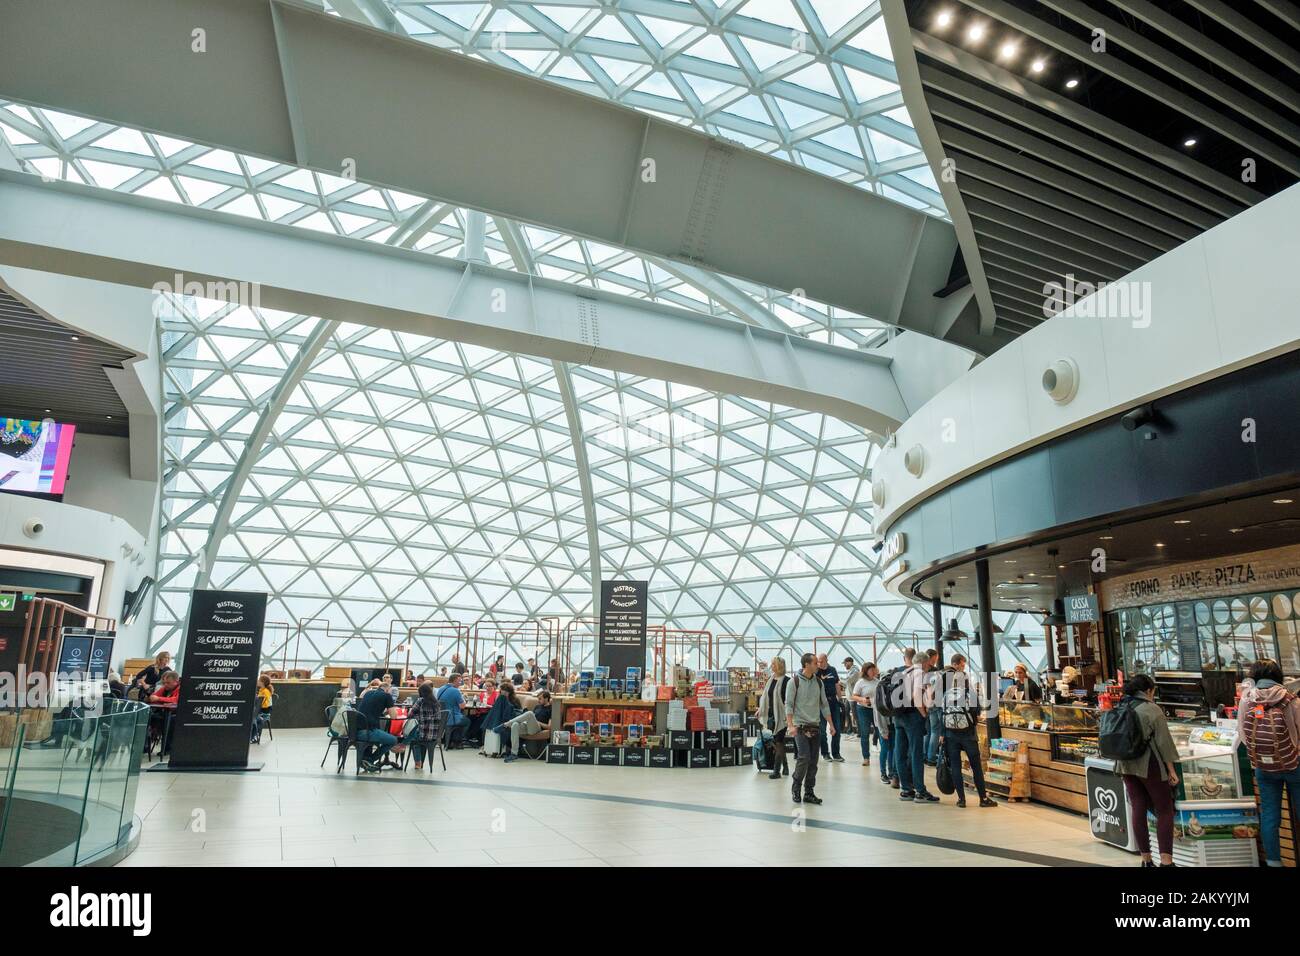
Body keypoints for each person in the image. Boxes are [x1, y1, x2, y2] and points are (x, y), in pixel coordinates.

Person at [1237, 658, 1300, 868]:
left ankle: (1273, 862)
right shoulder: (1291, 699)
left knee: (1270, 815)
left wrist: (1261, 753)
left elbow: (1243, 735)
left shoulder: (1247, 700)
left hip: (1264, 767)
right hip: (1294, 763)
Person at [1114, 674, 1179, 867]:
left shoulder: (1122, 706)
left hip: (1125, 764)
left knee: (1138, 808)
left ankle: (1146, 860)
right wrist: (1171, 769)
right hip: (1148, 764)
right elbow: (1164, 743)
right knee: (1165, 809)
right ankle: (1167, 862)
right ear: (1149, 691)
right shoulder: (1152, 710)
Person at [938, 654, 996, 808]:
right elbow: (977, 713)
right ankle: (983, 798)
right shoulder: (970, 694)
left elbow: (942, 715)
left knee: (956, 766)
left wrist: (942, 734)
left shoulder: (946, 695)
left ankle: (961, 800)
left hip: (950, 735)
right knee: (976, 766)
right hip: (969, 735)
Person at [785, 652, 834, 805]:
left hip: (815, 726)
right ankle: (796, 788)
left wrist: (831, 725)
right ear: (806, 664)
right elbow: (789, 704)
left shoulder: (819, 682)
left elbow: (824, 704)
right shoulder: (794, 682)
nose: (818, 665)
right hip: (800, 726)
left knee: (813, 761)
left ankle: (809, 792)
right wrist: (790, 725)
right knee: (804, 757)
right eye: (815, 663)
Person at [896, 647, 939, 803]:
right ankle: (920, 791)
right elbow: (916, 696)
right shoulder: (920, 673)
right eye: (928, 664)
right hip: (913, 717)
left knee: (900, 753)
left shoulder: (905, 672)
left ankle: (906, 789)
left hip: (899, 716)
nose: (929, 667)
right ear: (924, 662)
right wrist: (924, 714)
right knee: (916, 754)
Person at [355, 680, 405, 772]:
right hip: (367, 732)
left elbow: (372, 708)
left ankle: (366, 759)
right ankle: (369, 760)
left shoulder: (368, 693)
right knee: (393, 740)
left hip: (355, 731)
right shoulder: (387, 696)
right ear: (387, 690)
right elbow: (394, 716)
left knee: (379, 734)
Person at [756, 657, 791, 779]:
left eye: (774, 664)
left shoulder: (787, 681)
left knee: (779, 741)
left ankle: (777, 770)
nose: (772, 666)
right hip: (772, 715)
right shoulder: (771, 680)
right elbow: (766, 697)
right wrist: (760, 709)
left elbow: (789, 701)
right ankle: (785, 766)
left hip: (783, 716)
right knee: (777, 741)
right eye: (772, 664)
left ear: (780, 666)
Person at [502, 691, 554, 762]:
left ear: (546, 698)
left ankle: (508, 723)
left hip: (538, 728)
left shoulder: (550, 709)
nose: (538, 701)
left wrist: (537, 721)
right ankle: (514, 754)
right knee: (515, 725)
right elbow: (530, 719)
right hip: (528, 726)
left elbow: (549, 727)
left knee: (529, 713)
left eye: (540, 699)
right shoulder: (537, 707)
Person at [406, 681, 442, 770]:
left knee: (413, 739)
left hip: (424, 734)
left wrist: (415, 714)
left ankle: (418, 762)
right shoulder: (437, 703)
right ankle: (420, 761)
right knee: (416, 733)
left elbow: (410, 715)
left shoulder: (420, 701)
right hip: (435, 735)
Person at [815, 653, 844, 762]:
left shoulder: (832, 669)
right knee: (822, 729)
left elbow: (837, 684)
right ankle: (825, 753)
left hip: (833, 701)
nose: (820, 663)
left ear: (826, 660)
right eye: (818, 661)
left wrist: (840, 699)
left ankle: (836, 753)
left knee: (836, 728)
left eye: (822, 661)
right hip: (820, 703)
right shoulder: (816, 672)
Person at [850, 662, 880, 767]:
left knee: (879, 730)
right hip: (863, 709)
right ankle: (866, 757)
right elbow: (854, 696)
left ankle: (882, 753)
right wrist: (863, 699)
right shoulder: (860, 682)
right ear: (866, 671)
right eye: (871, 670)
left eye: (874, 670)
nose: (873, 672)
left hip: (876, 709)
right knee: (865, 733)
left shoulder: (878, 682)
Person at [436, 673, 471, 749]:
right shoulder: (456, 691)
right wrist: (464, 699)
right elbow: (462, 706)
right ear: (455, 681)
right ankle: (457, 741)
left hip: (441, 717)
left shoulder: (441, 689)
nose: (460, 683)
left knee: (461, 720)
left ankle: (452, 741)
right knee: (467, 721)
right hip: (452, 717)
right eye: (459, 681)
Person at [251, 674, 273, 743]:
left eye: (259, 680)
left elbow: (264, 704)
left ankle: (254, 737)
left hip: (264, 711)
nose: (257, 681)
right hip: (260, 710)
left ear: (262, 682)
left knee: (253, 718)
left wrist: (257, 700)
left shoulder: (265, 691)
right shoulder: (261, 689)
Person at [841, 658, 860, 737]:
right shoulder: (850, 671)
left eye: (845, 663)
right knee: (846, 712)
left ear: (850, 662)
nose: (845, 665)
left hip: (853, 697)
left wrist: (840, 680)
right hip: (849, 696)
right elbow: (847, 683)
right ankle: (850, 729)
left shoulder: (855, 671)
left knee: (855, 715)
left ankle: (860, 731)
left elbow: (848, 681)